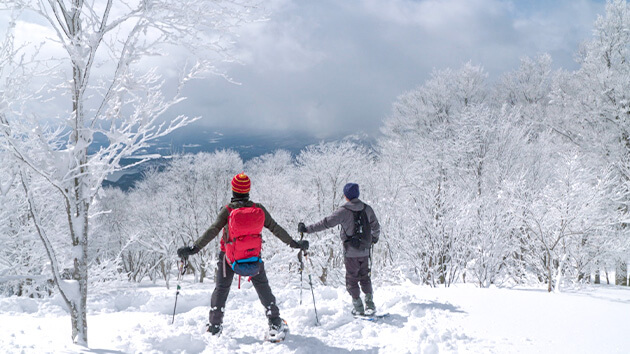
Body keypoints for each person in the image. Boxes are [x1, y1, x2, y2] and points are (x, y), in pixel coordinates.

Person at [177, 173, 308, 337]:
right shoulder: (258, 209)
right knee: (263, 287)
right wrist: (295, 244)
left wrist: (193, 248)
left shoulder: (228, 210)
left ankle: (215, 326)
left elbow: (212, 230)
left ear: (233, 190)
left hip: (229, 257)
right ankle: (274, 322)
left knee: (221, 289)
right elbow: (276, 228)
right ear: (248, 190)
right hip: (253, 256)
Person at [298, 182, 380, 316]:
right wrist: (374, 239)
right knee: (365, 277)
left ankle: (358, 307)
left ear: (346, 196)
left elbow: (325, 223)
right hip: (365, 251)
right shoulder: (367, 209)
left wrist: (307, 229)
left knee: (352, 279)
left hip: (350, 252)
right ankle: (370, 306)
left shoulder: (343, 211)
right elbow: (376, 227)